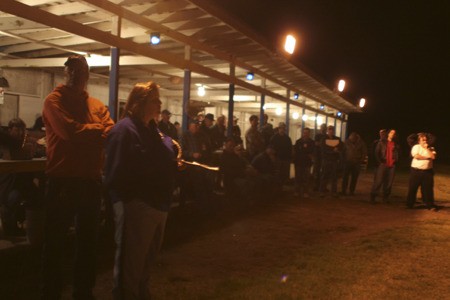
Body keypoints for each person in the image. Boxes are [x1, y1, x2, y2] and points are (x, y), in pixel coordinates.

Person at [41, 54, 114, 300]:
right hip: (63, 179)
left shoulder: (96, 105)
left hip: (89, 181)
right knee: (55, 240)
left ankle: (83, 291)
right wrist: (96, 130)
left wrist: (86, 133)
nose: (75, 75)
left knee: (88, 242)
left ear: (87, 75)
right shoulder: (53, 101)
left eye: (79, 70)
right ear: (65, 73)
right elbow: (68, 131)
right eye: (71, 70)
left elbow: (111, 133)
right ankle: (51, 290)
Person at [105, 81, 176, 299]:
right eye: (154, 100)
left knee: (146, 260)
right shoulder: (124, 131)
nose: (160, 103)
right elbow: (114, 174)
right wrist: (127, 203)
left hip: (158, 204)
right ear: (139, 103)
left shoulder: (154, 132)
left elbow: (167, 155)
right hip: (138, 205)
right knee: (131, 263)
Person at [406, 133, 437, 210]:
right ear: (419, 141)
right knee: (413, 188)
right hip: (416, 171)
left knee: (428, 189)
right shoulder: (416, 147)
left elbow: (433, 156)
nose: (425, 141)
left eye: (425, 140)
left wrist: (426, 148)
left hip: (427, 172)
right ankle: (410, 204)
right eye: (423, 140)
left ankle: (430, 205)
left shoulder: (431, 148)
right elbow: (416, 156)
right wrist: (427, 157)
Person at [370, 129, 399, 203]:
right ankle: (373, 197)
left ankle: (385, 198)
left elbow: (398, 154)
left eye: (394, 133)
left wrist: (396, 160)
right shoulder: (381, 142)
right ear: (388, 134)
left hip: (392, 165)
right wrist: (379, 162)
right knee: (378, 181)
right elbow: (376, 153)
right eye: (391, 132)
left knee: (389, 183)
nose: (393, 134)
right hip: (383, 164)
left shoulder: (395, 144)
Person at [319, 125, 343, 197]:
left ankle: (334, 192)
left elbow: (341, 147)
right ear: (327, 131)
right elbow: (323, 149)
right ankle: (322, 191)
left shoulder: (337, 139)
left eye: (332, 129)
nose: (331, 131)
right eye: (330, 129)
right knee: (324, 176)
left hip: (334, 160)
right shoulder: (324, 139)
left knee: (334, 177)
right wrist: (333, 151)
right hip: (326, 160)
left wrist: (336, 150)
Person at [293, 127, 315, 198]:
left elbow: (312, 152)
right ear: (303, 133)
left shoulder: (312, 142)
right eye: (304, 133)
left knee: (306, 178)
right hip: (299, 163)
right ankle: (297, 191)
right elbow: (295, 152)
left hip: (307, 163)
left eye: (307, 133)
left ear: (309, 134)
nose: (306, 134)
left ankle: (305, 192)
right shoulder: (298, 142)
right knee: (298, 178)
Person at [312, 123, 327, 191]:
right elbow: (316, 143)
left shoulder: (327, 136)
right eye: (322, 127)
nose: (323, 129)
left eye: (324, 128)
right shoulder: (317, 136)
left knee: (324, 172)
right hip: (318, 156)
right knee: (316, 172)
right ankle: (315, 186)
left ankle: (323, 187)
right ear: (320, 128)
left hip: (324, 156)